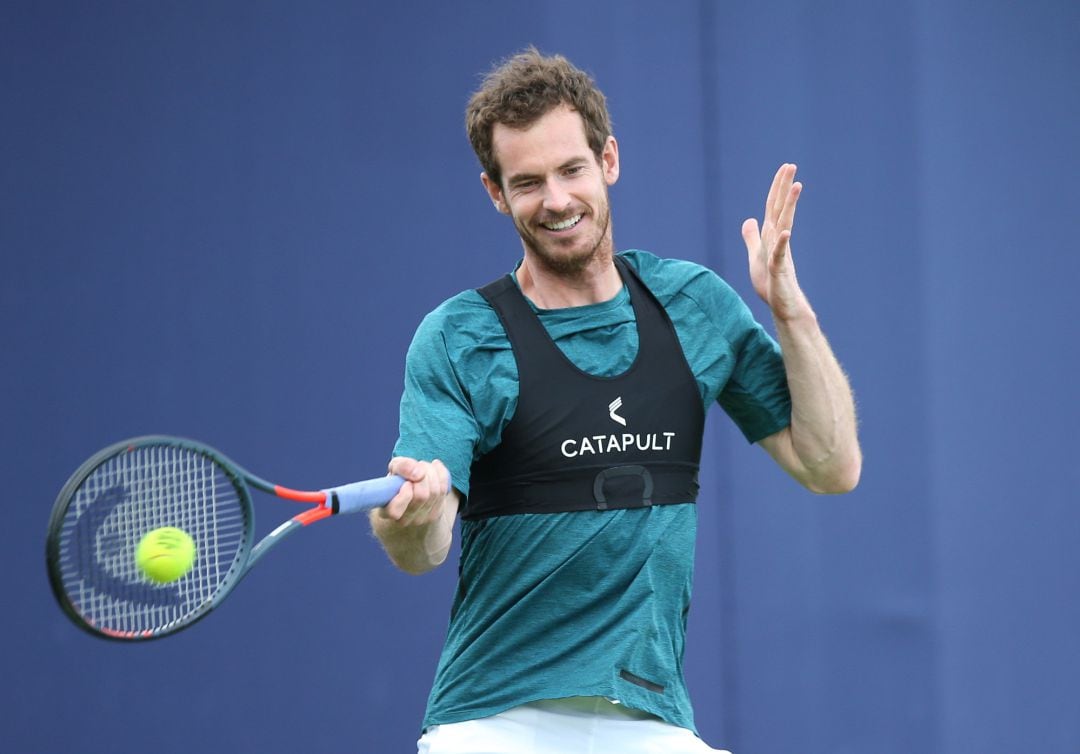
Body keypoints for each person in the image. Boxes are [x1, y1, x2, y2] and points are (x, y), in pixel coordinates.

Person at [369, 47, 861, 754]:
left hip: (652, 717)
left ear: (609, 160)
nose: (558, 200)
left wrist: (791, 311)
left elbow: (830, 465)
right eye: (528, 182)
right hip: (492, 721)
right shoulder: (460, 337)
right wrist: (407, 517)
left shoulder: (694, 306)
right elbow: (424, 545)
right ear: (496, 193)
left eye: (571, 169)